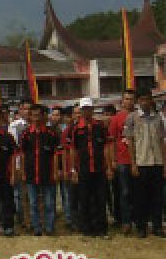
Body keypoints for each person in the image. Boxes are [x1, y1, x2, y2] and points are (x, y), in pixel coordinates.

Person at [124, 89, 166, 238]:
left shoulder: (158, 118)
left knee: (158, 197)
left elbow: (162, 141)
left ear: (151, 101)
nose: (145, 102)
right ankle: (141, 227)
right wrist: (133, 164)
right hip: (141, 163)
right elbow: (130, 143)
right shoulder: (132, 118)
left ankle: (157, 226)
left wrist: (164, 164)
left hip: (157, 162)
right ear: (138, 101)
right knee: (141, 198)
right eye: (142, 100)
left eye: (147, 99)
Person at [70, 98, 111, 238]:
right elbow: (73, 150)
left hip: (99, 169)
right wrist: (73, 170)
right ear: (81, 111)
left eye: (89, 108)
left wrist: (109, 167)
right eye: (84, 109)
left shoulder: (100, 126)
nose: (86, 111)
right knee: (84, 199)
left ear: (92, 109)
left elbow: (106, 147)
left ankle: (102, 229)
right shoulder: (75, 128)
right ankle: (86, 229)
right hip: (83, 169)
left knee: (101, 199)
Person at [20, 105, 60, 237]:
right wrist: (23, 172)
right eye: (33, 115)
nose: (36, 119)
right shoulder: (26, 134)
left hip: (47, 174)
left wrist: (55, 172)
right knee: (33, 203)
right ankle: (36, 228)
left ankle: (49, 228)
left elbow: (55, 154)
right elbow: (23, 155)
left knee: (49, 203)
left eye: (38, 115)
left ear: (44, 116)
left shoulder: (51, 133)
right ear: (30, 117)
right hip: (31, 173)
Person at [107, 89, 136, 234]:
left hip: (140, 160)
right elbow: (111, 141)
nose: (129, 101)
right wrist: (112, 161)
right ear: (122, 101)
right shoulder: (116, 119)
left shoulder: (139, 117)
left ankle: (138, 220)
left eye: (131, 99)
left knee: (138, 191)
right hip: (122, 160)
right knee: (124, 192)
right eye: (126, 99)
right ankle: (125, 221)